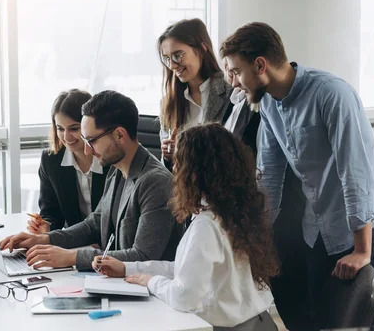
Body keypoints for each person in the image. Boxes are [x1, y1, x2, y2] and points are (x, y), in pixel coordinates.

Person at [221, 21, 374, 331]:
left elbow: (354, 173)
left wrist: (362, 250)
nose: (234, 83)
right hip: (317, 229)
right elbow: (270, 177)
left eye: (236, 72)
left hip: (364, 229)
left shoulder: (331, 94)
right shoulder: (270, 106)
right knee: (323, 321)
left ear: (260, 64)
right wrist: (256, 237)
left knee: (369, 323)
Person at [93, 124, 279, 331]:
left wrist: (152, 282)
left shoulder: (206, 226)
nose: (174, 170)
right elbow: (186, 270)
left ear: (194, 172)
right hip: (261, 322)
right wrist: (128, 268)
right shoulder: (235, 213)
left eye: (178, 163)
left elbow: (184, 296)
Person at [0, 91, 182, 271]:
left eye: (92, 141)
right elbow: (95, 223)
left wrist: (71, 257)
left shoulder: (155, 182)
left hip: (150, 294)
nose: (87, 151)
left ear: (120, 135)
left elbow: (142, 257)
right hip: (120, 284)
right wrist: (44, 239)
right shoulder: (117, 170)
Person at [157, 18, 260, 172]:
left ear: (201, 48)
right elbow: (166, 170)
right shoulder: (168, 103)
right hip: (186, 190)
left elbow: (243, 151)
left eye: (178, 55)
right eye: (166, 59)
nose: (172, 65)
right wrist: (167, 158)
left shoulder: (232, 90)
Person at [27, 89, 109, 234]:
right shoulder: (51, 160)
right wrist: (46, 227)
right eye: (60, 128)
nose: (66, 137)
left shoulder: (110, 159)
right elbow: (51, 213)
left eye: (74, 128)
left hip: (108, 247)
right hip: (73, 243)